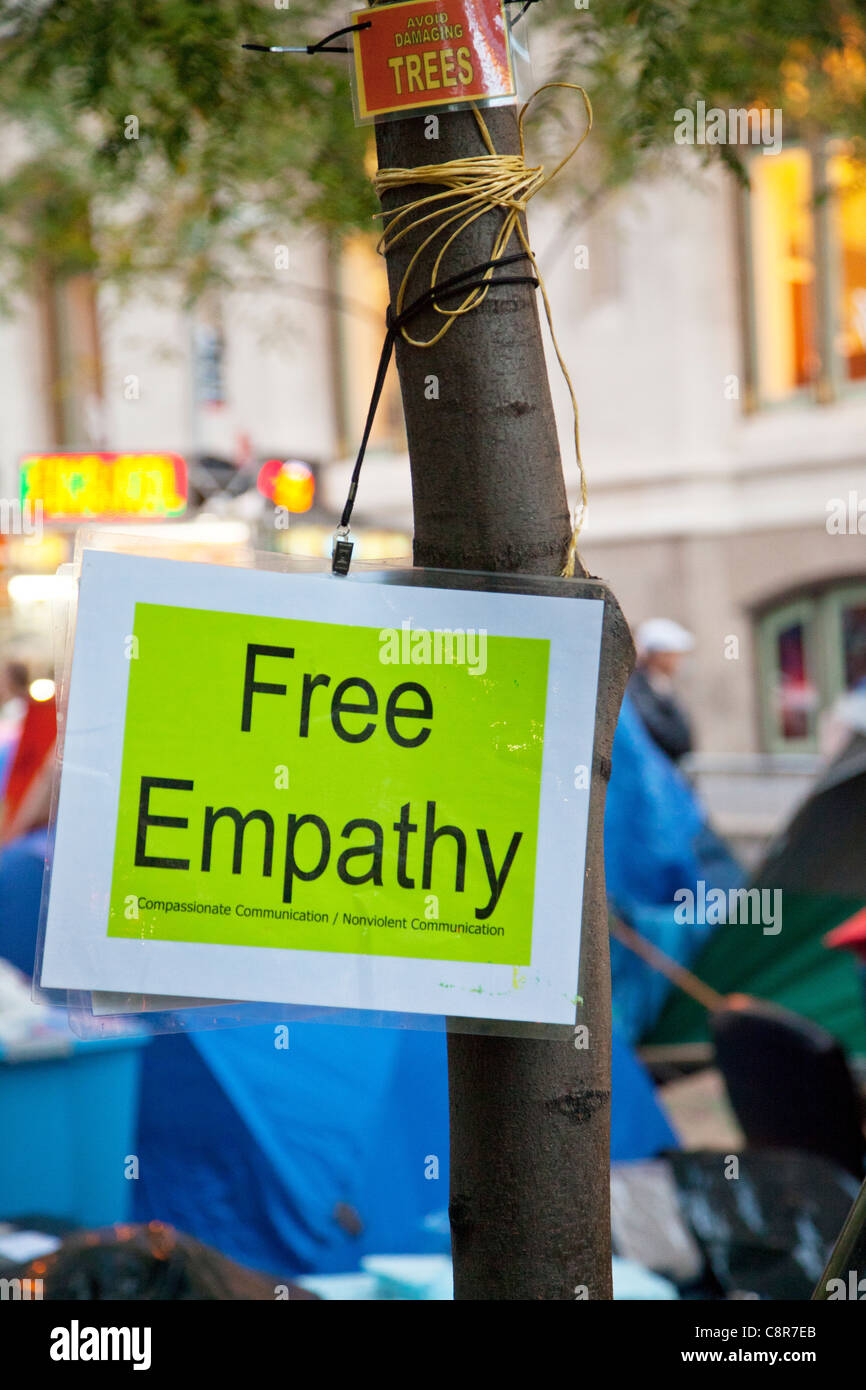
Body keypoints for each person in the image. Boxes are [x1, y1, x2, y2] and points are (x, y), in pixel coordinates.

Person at [627, 618, 695, 764]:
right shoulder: (637, 690)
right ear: (660, 655)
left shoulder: (659, 686)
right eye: (674, 655)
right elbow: (669, 738)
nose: (678, 662)